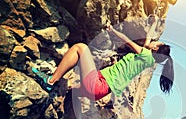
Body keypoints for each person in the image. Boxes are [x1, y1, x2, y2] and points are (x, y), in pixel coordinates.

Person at [31, 18, 174, 100]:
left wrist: (112, 30)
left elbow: (127, 40)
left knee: (80, 48)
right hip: (100, 93)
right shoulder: (149, 61)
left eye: (157, 42)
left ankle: (50, 81)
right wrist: (154, 24)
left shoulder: (145, 54)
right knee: (71, 89)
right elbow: (148, 42)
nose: (154, 41)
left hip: (98, 84)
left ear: (155, 49)